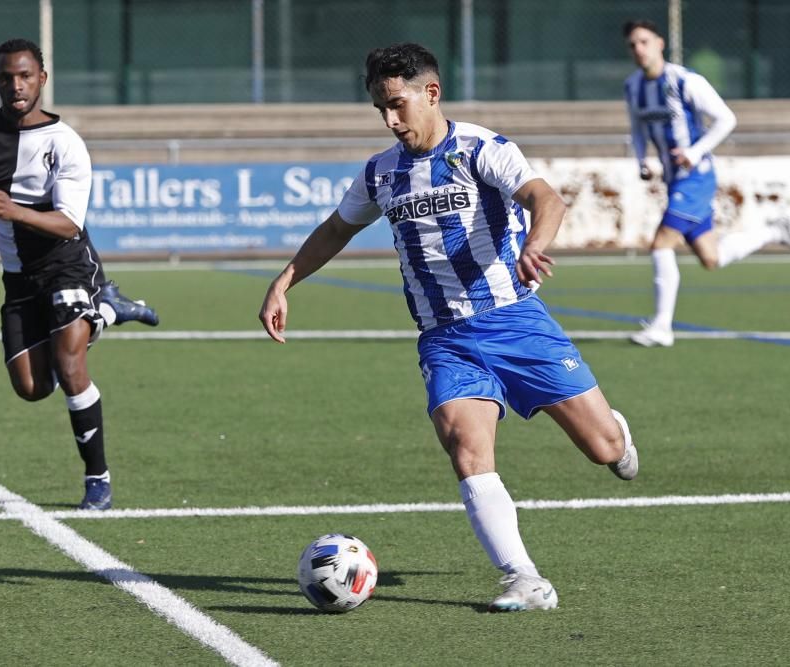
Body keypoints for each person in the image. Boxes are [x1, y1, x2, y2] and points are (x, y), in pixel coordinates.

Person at [258, 42, 638, 612]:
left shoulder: (480, 149)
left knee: (604, 449)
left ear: (430, 93)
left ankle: (615, 431)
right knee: (466, 445)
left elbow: (545, 199)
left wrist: (535, 244)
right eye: (379, 109)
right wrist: (284, 281)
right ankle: (525, 579)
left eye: (396, 104)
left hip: (514, 321)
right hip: (445, 338)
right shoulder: (380, 172)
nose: (389, 119)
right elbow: (337, 229)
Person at [0, 38, 159, 510]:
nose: (16, 85)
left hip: (67, 265)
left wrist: (13, 211)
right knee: (31, 388)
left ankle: (98, 480)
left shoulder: (66, 143)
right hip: (18, 277)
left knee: (70, 368)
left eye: (25, 75)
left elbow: (69, 223)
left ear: (42, 78)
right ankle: (108, 308)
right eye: (6, 77)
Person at [623, 19, 790, 348]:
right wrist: (641, 161)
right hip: (673, 179)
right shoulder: (633, 86)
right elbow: (637, 130)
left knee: (661, 242)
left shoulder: (684, 80)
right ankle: (774, 231)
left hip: (697, 177)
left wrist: (695, 152)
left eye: (644, 41)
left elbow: (727, 118)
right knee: (711, 258)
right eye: (633, 44)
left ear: (660, 43)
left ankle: (662, 327)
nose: (639, 49)